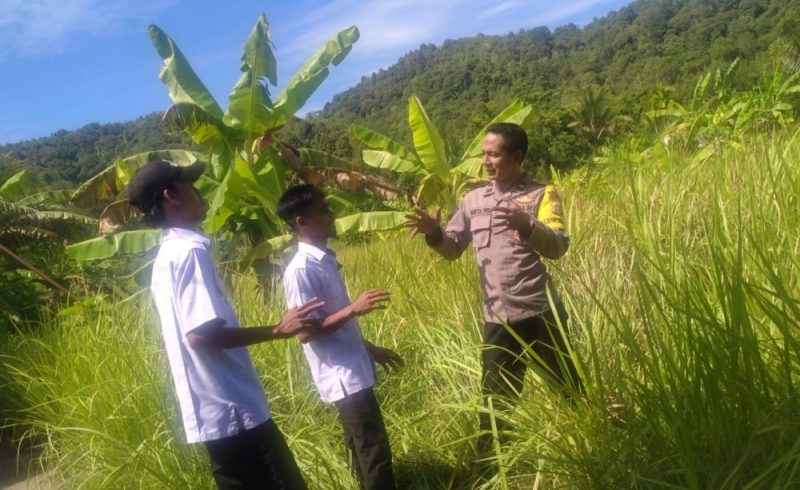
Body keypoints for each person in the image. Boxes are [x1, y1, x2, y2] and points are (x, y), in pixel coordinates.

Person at [128, 160, 322, 490]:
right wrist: (277, 329)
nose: (199, 192)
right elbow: (201, 335)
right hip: (235, 412)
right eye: (189, 186)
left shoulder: (166, 257)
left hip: (213, 415)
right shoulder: (190, 251)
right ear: (170, 196)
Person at [405, 122, 580, 450]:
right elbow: (453, 249)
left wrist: (526, 224)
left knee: (570, 390)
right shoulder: (472, 200)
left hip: (542, 314)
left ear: (516, 157)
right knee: (495, 405)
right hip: (498, 320)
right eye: (483, 154)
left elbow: (558, 247)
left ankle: (587, 441)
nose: (486, 161)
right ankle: (495, 466)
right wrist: (433, 232)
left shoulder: (542, 194)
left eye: (494, 154)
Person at [278, 184, 404, 490]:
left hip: (353, 367)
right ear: (301, 222)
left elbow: (331, 321)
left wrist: (370, 349)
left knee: (360, 450)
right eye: (323, 210)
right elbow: (306, 332)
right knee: (374, 454)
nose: (332, 215)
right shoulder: (300, 270)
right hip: (343, 377)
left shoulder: (323, 260)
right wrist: (355, 309)